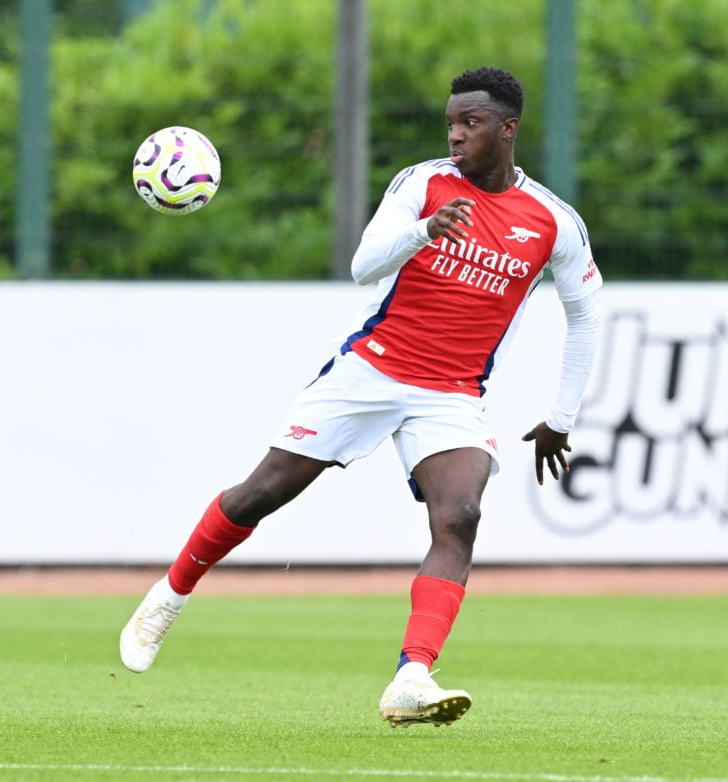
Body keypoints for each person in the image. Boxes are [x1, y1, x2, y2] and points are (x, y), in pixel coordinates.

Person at [119, 66, 603, 728]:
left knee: (459, 515)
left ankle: (413, 675)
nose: (457, 136)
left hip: (452, 394)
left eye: (472, 123)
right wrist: (424, 232)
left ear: (508, 130)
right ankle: (170, 595)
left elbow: (586, 314)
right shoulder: (421, 185)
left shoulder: (552, 221)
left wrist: (561, 416)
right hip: (369, 372)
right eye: (451, 123)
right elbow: (362, 265)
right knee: (262, 493)